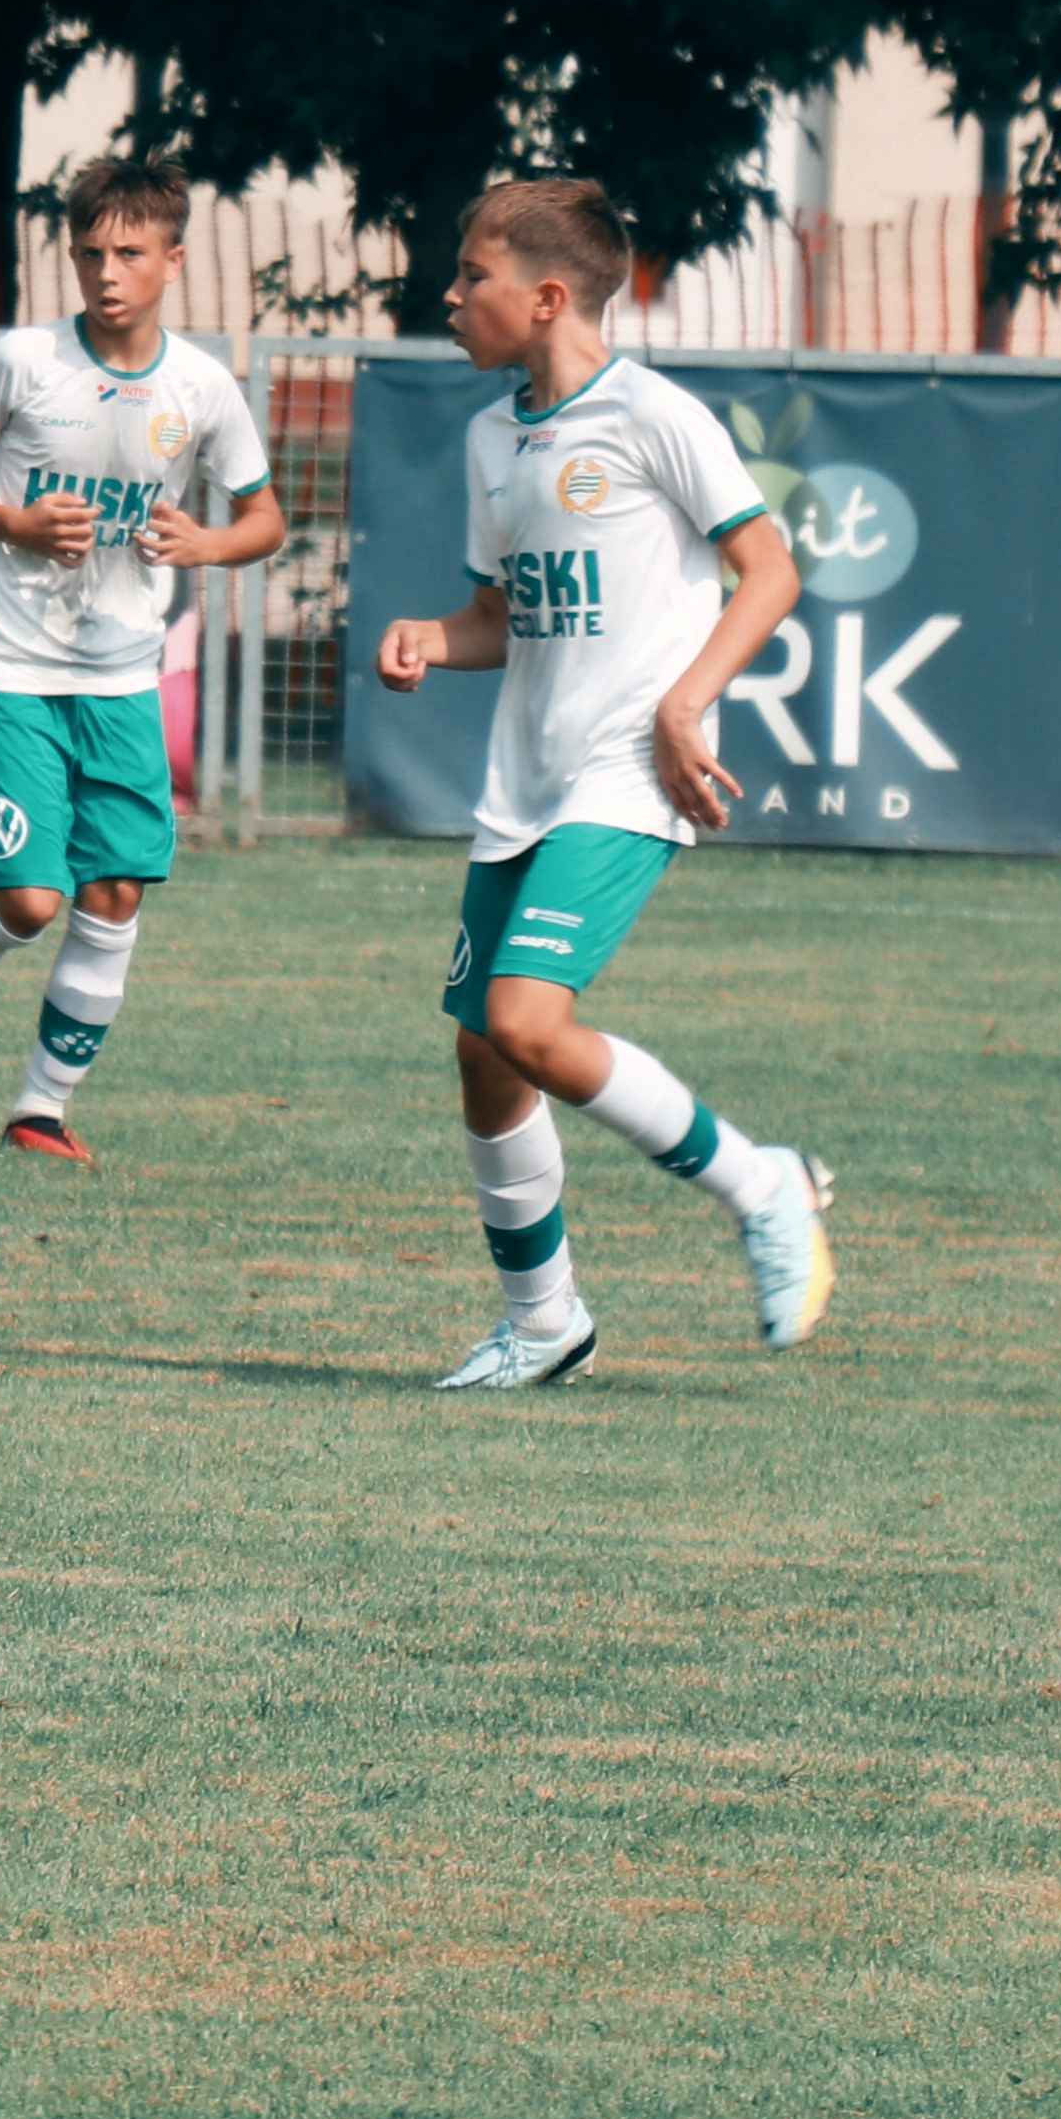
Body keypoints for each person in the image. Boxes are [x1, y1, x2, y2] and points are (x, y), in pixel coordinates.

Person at [368, 177, 840, 1389]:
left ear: (549, 295)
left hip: (628, 770)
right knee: (484, 1054)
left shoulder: (652, 414)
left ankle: (762, 1184)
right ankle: (545, 1322)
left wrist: (686, 705)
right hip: (520, 779)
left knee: (527, 1022)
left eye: (472, 274)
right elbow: (499, 615)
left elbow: (771, 570)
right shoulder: (491, 437)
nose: (453, 293)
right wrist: (433, 633)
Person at [0, 155, 288, 1162]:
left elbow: (264, 520)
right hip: (9, 662)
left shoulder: (202, 387)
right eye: (90, 252)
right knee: (31, 902)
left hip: (122, 669)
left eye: (129, 252)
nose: (107, 272)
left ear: (172, 260)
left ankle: (40, 1110)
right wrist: (14, 523)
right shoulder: (25, 362)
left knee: (117, 890)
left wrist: (206, 544)